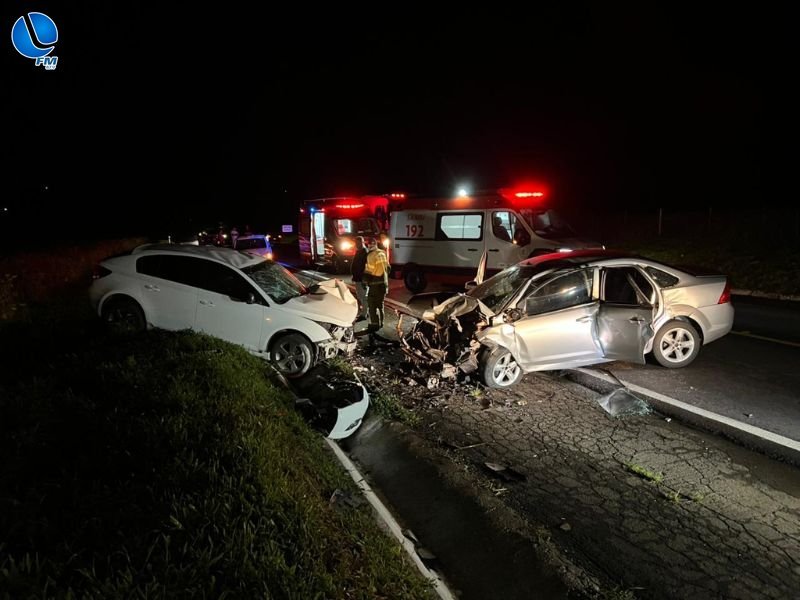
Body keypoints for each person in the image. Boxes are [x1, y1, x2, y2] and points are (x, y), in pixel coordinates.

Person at [363, 237, 389, 342]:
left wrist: (365, 281)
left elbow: (369, 270)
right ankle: (382, 322)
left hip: (374, 284)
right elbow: (388, 268)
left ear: (369, 245)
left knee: (372, 304)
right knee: (380, 303)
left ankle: (374, 324)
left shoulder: (371, 255)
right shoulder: (382, 253)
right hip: (383, 284)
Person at [351, 236, 369, 321]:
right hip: (358, 277)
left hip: (362, 278)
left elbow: (366, 266)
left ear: (362, 242)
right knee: (360, 295)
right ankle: (365, 312)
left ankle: (364, 314)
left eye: (357, 243)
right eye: (356, 243)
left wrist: (364, 279)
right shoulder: (359, 251)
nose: (356, 245)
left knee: (363, 296)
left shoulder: (365, 252)